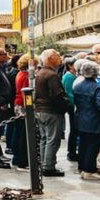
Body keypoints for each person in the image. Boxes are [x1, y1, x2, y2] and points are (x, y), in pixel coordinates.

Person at [73, 61, 100, 180]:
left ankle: (83, 167)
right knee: (93, 145)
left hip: (81, 118)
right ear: (95, 72)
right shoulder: (97, 88)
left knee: (83, 145)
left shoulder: (78, 86)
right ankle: (89, 170)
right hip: (94, 120)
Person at [34, 49, 69, 177]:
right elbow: (57, 95)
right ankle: (48, 166)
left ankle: (44, 164)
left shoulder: (40, 73)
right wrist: (66, 104)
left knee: (45, 138)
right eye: (57, 56)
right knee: (52, 140)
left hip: (42, 110)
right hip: (51, 111)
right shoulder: (51, 75)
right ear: (50, 59)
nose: (60, 58)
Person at [10, 54, 34, 170]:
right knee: (24, 134)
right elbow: (26, 93)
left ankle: (17, 158)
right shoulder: (26, 76)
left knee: (19, 131)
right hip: (23, 105)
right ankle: (22, 160)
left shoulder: (20, 74)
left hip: (18, 103)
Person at [61, 57, 79, 162]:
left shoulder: (72, 76)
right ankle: (71, 152)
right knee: (73, 129)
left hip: (73, 106)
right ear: (70, 65)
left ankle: (72, 151)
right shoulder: (68, 77)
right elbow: (69, 93)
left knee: (74, 129)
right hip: (72, 107)